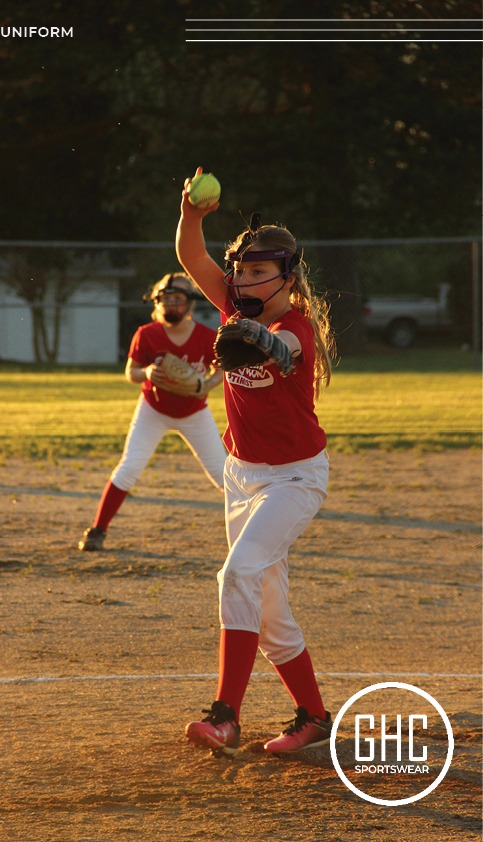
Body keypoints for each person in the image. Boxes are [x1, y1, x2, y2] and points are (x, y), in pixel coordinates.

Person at [175, 167, 336, 757]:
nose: (243, 280)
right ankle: (315, 720)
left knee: (237, 574)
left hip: (295, 477)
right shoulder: (230, 303)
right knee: (268, 613)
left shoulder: (292, 324)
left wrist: (264, 341)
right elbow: (191, 257)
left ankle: (225, 718)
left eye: (258, 272)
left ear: (287, 278)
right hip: (241, 477)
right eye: (240, 269)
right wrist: (192, 213)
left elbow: (288, 350)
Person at [78, 271, 226, 552]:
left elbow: (220, 369)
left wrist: (208, 384)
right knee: (129, 467)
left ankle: (250, 532)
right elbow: (130, 373)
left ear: (190, 302)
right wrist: (145, 372)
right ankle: (98, 529)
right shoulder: (147, 334)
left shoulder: (207, 337)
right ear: (156, 302)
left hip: (194, 412)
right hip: (153, 409)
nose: (172, 305)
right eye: (166, 299)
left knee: (222, 474)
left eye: (178, 299)